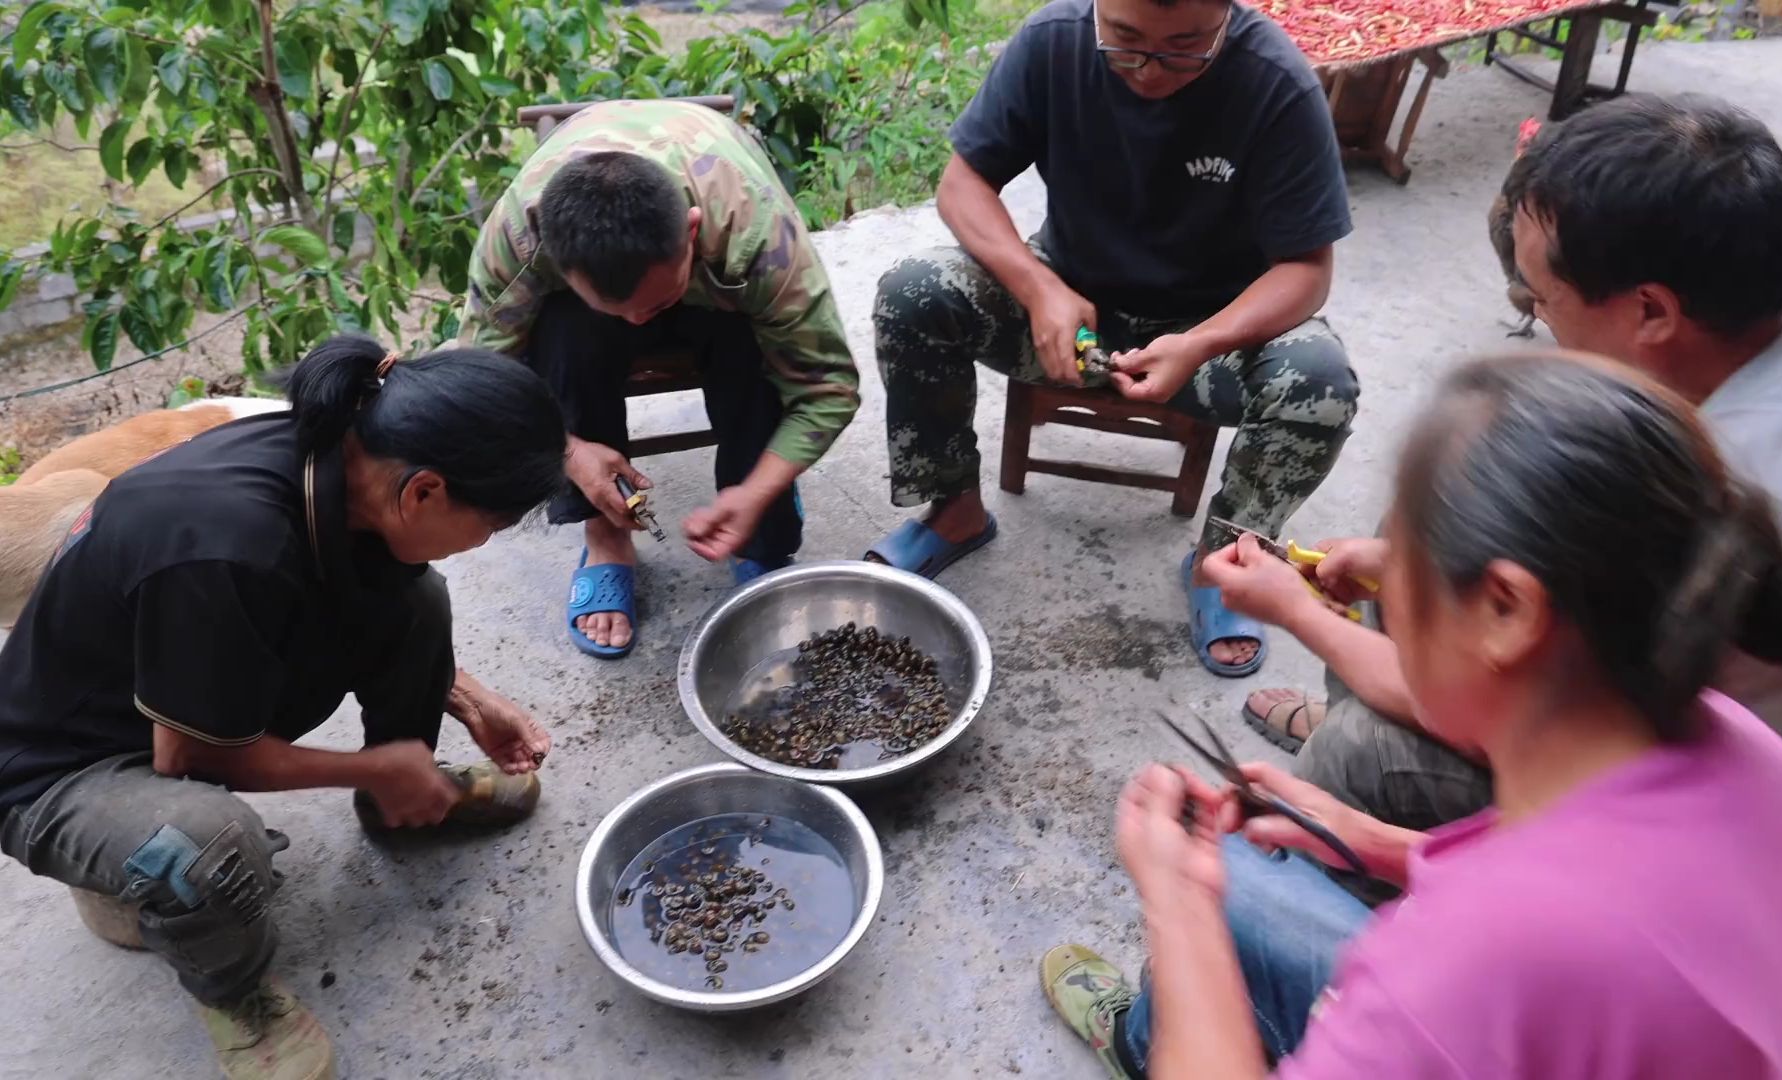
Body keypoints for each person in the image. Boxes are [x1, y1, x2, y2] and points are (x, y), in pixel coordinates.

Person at [1042, 351, 1782, 1078]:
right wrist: (1373, 842)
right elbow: (1582, 896)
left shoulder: (1471, 965)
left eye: (1402, 554)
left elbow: (1516, 947)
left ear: (1508, 610)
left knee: (1226, 894)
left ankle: (1143, 1047)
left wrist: (1178, 903)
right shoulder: (1736, 749)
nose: (1380, 582)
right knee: (1258, 868)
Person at [1236, 93, 1782, 883]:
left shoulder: (1668, 497)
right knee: (1420, 530)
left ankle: (1293, 941)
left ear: (1650, 311)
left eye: (1539, 301)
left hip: (1723, 838)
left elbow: (1480, 714)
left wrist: (1295, 611)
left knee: (1355, 758)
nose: (1536, 320)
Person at [0, 335, 567, 1080]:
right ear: (424, 490)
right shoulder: (225, 544)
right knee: (209, 843)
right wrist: (368, 761)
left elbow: (356, 603)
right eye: (487, 526)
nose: (482, 544)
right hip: (63, 769)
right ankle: (237, 998)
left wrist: (463, 697)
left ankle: (397, 801)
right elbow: (191, 758)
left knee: (415, 597)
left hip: (170, 690)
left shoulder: (339, 454)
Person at [865, 0, 1358, 677]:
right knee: (913, 291)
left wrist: (1201, 341)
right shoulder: (1051, 42)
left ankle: (1228, 561)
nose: (1148, 69)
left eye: (1184, 45)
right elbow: (962, 182)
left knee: (1320, 385)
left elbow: (1305, 270)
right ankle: (952, 508)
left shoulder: (1276, 84)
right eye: (1123, 40)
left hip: (1207, 336)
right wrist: (1038, 290)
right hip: (1068, 308)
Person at [457, 99, 860, 660]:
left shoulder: (759, 237)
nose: (639, 327)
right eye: (619, 311)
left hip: (722, 294)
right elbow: (479, 383)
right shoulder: (519, 240)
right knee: (566, 334)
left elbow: (828, 387)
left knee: (753, 349)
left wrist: (756, 490)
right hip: (589, 308)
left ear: (692, 230)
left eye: (656, 302)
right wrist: (567, 452)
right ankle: (605, 535)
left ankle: (762, 535)